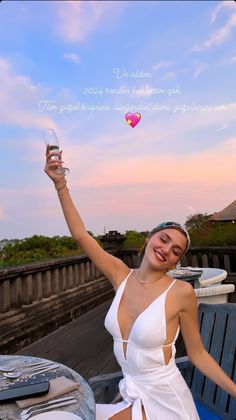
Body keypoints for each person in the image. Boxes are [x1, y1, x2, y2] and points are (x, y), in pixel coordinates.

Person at [44, 148, 236, 420]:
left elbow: (198, 354)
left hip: (166, 403)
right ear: (149, 239)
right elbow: (80, 235)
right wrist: (60, 184)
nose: (167, 249)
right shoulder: (120, 275)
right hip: (132, 395)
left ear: (175, 262)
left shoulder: (180, 292)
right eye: (164, 239)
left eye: (176, 251)